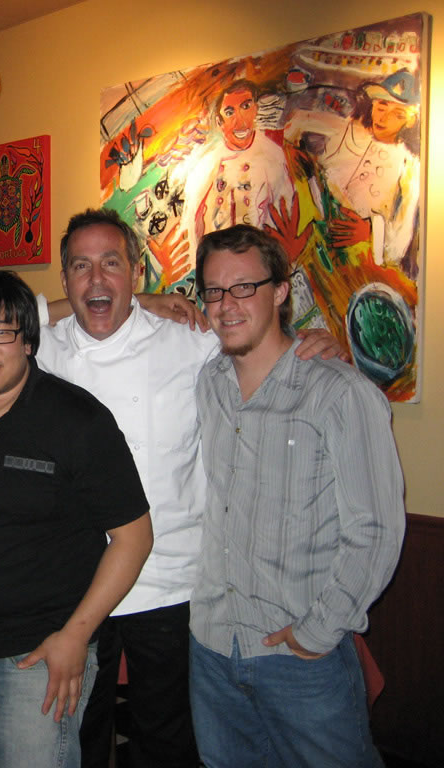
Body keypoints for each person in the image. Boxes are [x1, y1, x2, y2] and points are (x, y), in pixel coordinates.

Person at [35, 208, 343, 768]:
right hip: (74, 582)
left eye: (111, 264)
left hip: (171, 583)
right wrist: (140, 298)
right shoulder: (42, 348)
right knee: (74, 733)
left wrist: (315, 344)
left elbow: (261, 347)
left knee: (168, 738)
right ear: (64, 279)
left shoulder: (189, 342)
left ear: (136, 269)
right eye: (81, 266)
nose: (96, 279)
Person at [0, 268, 153, 768]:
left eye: (2, 331)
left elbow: (133, 537)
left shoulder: (78, 419)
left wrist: (75, 636)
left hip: (41, 657)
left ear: (27, 341)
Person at [190, 224, 404, 767]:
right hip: (212, 647)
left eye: (244, 287)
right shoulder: (207, 382)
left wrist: (317, 632)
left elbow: (376, 530)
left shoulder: (339, 393)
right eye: (213, 290)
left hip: (299, 656)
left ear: (281, 291)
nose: (226, 304)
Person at [284, 69, 420, 266]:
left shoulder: (409, 166)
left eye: (397, 115)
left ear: (409, 120)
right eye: (381, 107)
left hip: (358, 257)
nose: (384, 119)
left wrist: (370, 231)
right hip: (313, 235)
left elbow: (401, 235)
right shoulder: (347, 129)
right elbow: (297, 122)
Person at [179, 79, 294, 260]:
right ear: (220, 122)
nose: (240, 121)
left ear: (256, 110)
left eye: (246, 107)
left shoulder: (273, 156)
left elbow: (285, 215)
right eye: (229, 112)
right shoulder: (206, 164)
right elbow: (191, 219)